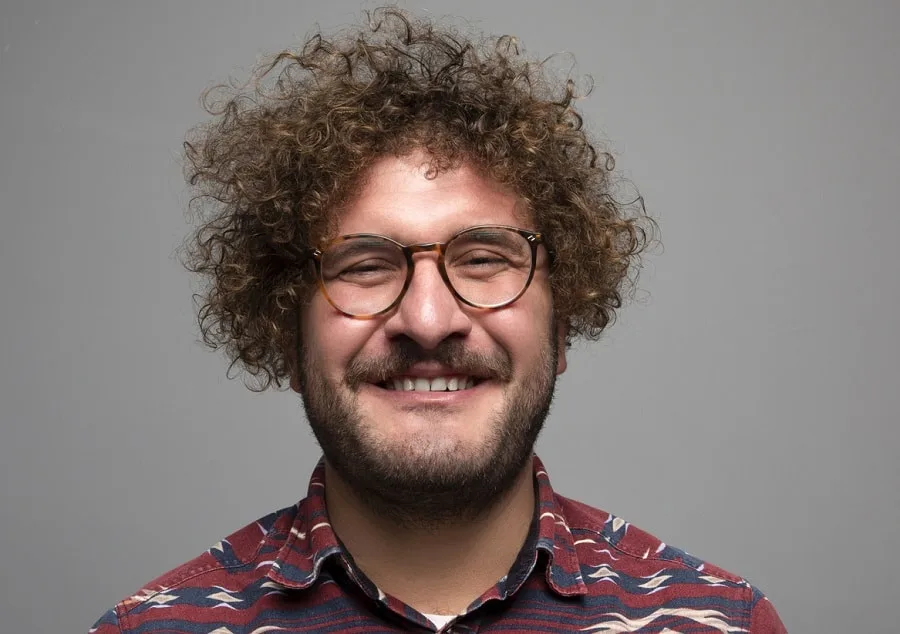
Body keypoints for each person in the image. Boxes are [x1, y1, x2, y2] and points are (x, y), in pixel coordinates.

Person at [90, 7, 786, 633]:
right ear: (284, 326)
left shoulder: (716, 622)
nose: (427, 319)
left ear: (563, 318)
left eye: (484, 259)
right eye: (364, 266)